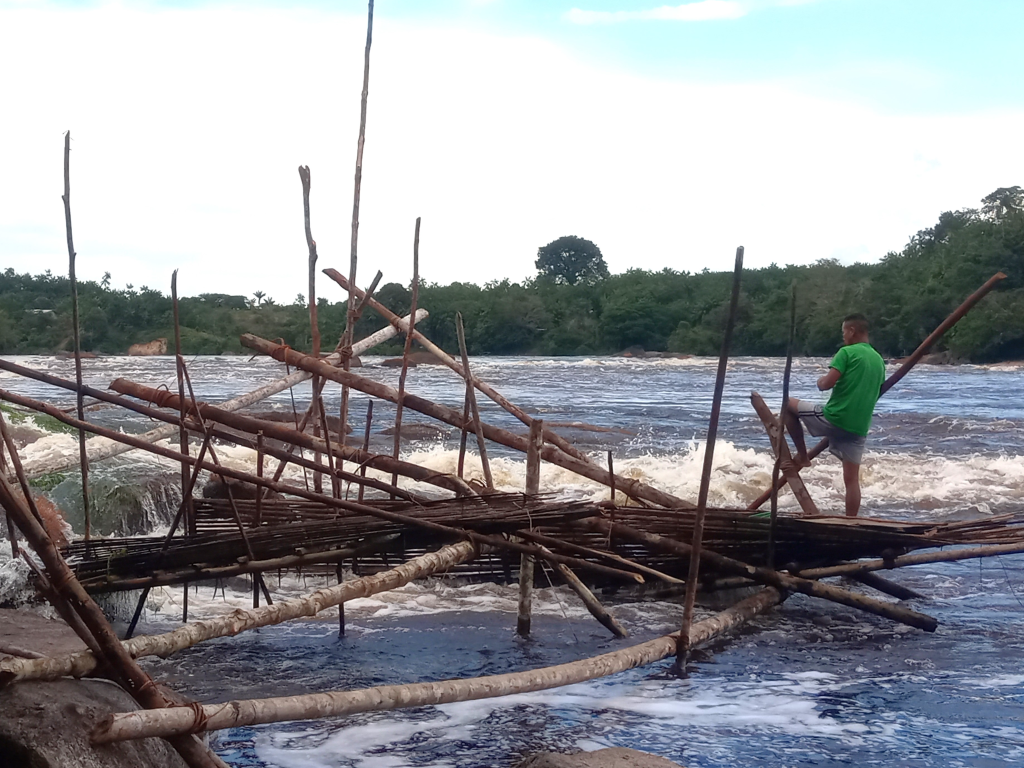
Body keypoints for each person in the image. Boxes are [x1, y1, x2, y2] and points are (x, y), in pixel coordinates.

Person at [782, 313, 885, 517]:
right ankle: (851, 520)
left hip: (835, 417)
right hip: (859, 428)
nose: (843, 336)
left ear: (852, 331)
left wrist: (820, 381)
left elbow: (827, 383)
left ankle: (802, 456)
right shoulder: (879, 361)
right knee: (852, 481)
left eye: (844, 332)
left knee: (787, 404)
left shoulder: (846, 353)